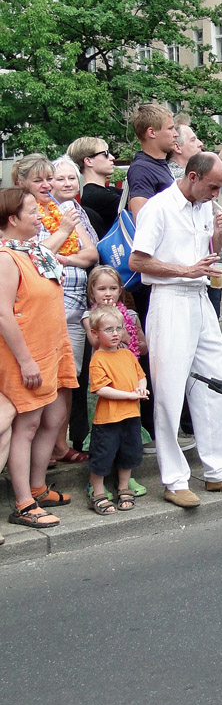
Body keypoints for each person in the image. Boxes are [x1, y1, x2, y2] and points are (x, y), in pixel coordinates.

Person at [128, 153, 222, 506]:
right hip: (169, 297)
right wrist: (185, 270)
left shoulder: (204, 207)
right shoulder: (158, 207)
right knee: (170, 388)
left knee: (216, 380)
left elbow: (204, 256)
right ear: (193, 176)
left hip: (199, 296)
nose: (216, 193)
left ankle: (219, 470)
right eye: (213, 186)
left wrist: (214, 238)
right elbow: (137, 261)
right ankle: (173, 479)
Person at [12, 152, 97, 464]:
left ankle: (58, 446)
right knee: (43, 382)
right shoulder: (19, 213)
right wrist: (61, 235)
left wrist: (64, 258)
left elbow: (91, 253)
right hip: (43, 308)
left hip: (74, 304)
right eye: (40, 179)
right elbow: (30, 256)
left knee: (66, 379)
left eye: (50, 177)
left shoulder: (62, 209)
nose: (48, 184)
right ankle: (38, 452)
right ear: (20, 183)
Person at [0, 188, 77, 529]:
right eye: (32, 211)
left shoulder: (30, 250)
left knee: (53, 419)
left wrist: (63, 229)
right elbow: (3, 315)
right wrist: (26, 361)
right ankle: (23, 503)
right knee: (27, 427)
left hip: (52, 350)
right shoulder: (5, 257)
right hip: (28, 357)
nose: (39, 216)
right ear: (12, 219)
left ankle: (37, 487)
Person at [86, 306, 148, 516]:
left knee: (128, 453)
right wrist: (130, 395)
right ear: (95, 333)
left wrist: (141, 386)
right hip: (108, 419)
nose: (115, 333)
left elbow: (141, 374)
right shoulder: (98, 359)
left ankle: (124, 487)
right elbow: (101, 389)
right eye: (108, 329)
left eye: (118, 328)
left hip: (131, 416)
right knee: (102, 456)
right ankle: (98, 491)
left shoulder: (127, 355)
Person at [125, 103, 178, 221]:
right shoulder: (141, 169)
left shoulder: (158, 164)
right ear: (152, 132)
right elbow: (142, 220)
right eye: (170, 128)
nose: (176, 134)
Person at [66, 136, 119, 239]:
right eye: (106, 154)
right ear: (88, 161)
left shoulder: (105, 192)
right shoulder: (96, 196)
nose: (112, 157)